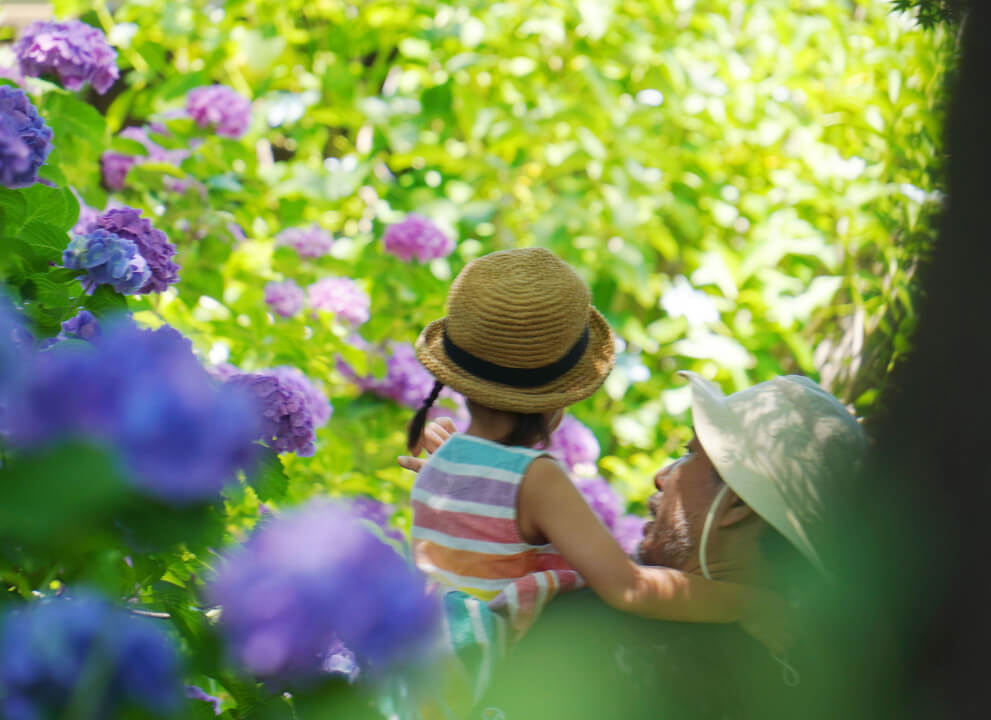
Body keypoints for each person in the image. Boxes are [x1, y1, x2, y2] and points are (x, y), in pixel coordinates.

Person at [398, 247, 791, 711]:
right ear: (558, 400)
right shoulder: (537, 479)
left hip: (418, 665)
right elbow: (629, 587)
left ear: (460, 379)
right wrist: (752, 603)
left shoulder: (441, 461)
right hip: (476, 675)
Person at [469, 371, 868, 719]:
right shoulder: (819, 685)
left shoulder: (589, 630)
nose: (662, 476)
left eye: (688, 454)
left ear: (737, 505)